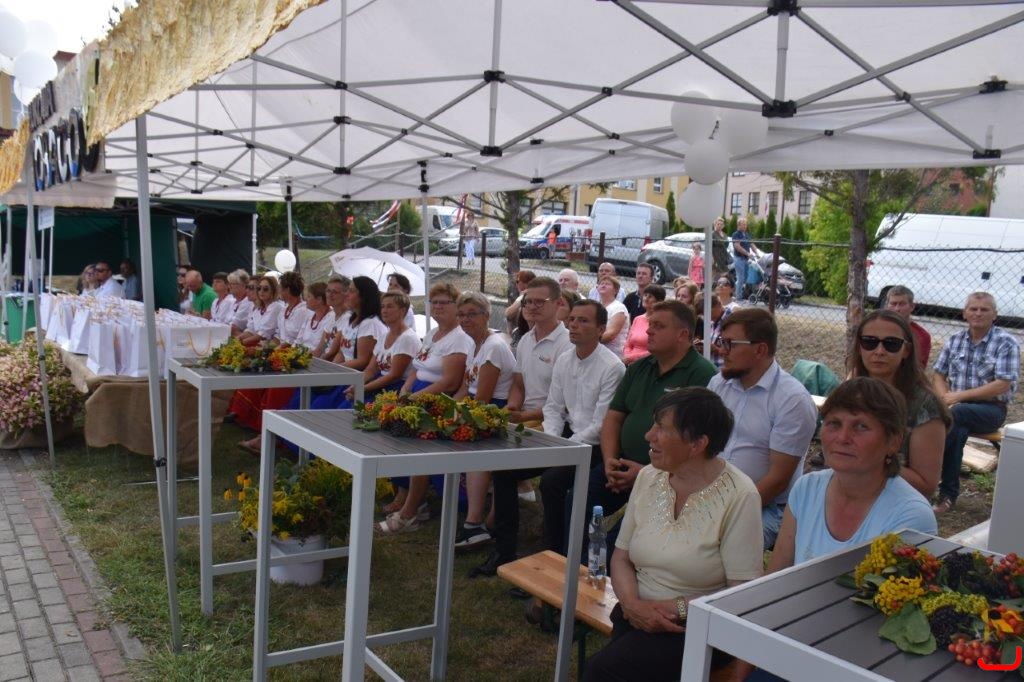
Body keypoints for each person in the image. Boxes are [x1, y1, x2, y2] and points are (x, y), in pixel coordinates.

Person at [582, 388, 763, 682]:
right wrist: (632, 605)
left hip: (696, 628)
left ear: (697, 444)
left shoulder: (740, 496)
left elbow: (739, 594)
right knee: (608, 668)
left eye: (662, 428)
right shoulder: (649, 476)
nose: (648, 435)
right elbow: (621, 557)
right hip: (635, 615)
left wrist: (671, 609)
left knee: (600, 671)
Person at [472, 299, 625, 577]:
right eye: (572, 319)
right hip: (563, 434)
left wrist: (562, 448)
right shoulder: (565, 359)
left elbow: (601, 424)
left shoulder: (612, 367)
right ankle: (504, 551)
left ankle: (552, 561)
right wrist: (552, 442)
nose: (574, 325)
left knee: (553, 483)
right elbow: (553, 407)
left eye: (583, 321)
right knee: (504, 470)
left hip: (594, 444)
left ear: (601, 329)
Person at [768, 377, 937, 570]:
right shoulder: (806, 489)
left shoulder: (910, 517)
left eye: (861, 426)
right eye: (834, 423)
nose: (843, 438)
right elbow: (775, 577)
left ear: (894, 441)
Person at [586, 300, 717, 549]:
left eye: (659, 326)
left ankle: (597, 562)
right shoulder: (639, 368)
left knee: (617, 541)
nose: (649, 331)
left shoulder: (702, 374)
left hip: (668, 476)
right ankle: (568, 562)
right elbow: (614, 417)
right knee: (577, 502)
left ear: (682, 335)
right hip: (620, 464)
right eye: (650, 324)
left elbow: (695, 443)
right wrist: (609, 461)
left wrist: (647, 472)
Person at [708, 308, 818, 549]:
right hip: (711, 495)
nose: (721, 350)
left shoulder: (792, 400)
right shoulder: (719, 384)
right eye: (722, 342)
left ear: (760, 350)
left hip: (766, 507)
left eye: (730, 344)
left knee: (713, 550)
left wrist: (722, 512)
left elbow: (778, 480)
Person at [379, 283, 474, 533]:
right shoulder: (432, 334)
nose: (438, 307)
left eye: (445, 302)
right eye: (435, 302)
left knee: (416, 445)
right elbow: (417, 367)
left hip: (439, 398)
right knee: (391, 430)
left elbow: (450, 382)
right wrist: (404, 391)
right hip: (418, 392)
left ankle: (410, 511)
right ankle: (406, 494)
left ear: (456, 307)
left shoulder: (459, 338)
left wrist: (414, 399)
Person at [932, 292, 1020, 513]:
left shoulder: (1006, 342)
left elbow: (1002, 384)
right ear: (965, 313)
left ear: (994, 315)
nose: (978, 313)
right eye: (973, 309)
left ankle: (927, 473)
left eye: (984, 309)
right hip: (955, 410)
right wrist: (944, 399)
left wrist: (958, 397)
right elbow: (938, 375)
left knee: (958, 415)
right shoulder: (955, 340)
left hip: (991, 410)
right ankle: (947, 495)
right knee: (958, 428)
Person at [849, 310, 950, 497]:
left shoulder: (925, 406)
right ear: (859, 347)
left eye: (891, 344)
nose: (879, 351)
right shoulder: (851, 393)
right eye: (869, 342)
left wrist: (870, 460)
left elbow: (925, 485)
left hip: (897, 503)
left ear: (906, 351)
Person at [452, 292, 517, 549]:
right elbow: (464, 388)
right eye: (461, 315)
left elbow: (482, 399)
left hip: (493, 410)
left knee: (464, 447)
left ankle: (474, 522)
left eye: (472, 314)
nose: (465, 320)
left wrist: (456, 418)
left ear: (487, 316)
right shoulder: (474, 343)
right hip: (475, 406)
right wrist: (447, 410)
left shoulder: (493, 346)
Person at [505, 277, 572, 426]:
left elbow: (565, 403)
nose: (532, 307)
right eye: (528, 301)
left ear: (558, 303)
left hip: (552, 422)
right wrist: (512, 407)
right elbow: (518, 385)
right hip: (524, 416)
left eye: (540, 302)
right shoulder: (525, 340)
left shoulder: (568, 344)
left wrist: (523, 417)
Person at [320, 276, 383, 371]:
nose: (346, 294)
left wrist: (334, 370)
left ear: (363, 296)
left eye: (351, 291)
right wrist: (331, 369)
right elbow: (341, 353)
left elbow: (362, 361)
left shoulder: (371, 324)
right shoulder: (351, 319)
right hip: (344, 371)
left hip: (357, 375)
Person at [885, 285, 931, 368]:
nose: (897, 309)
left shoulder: (922, 336)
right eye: (893, 304)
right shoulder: (875, 328)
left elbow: (918, 368)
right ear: (887, 306)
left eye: (902, 304)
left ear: (912, 307)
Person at [622, 284, 666, 365]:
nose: (646, 298)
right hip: (628, 362)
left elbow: (657, 349)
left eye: (650, 296)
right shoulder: (638, 319)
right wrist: (626, 356)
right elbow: (628, 344)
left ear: (659, 301)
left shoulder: (661, 321)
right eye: (645, 295)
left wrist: (632, 358)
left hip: (647, 363)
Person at [238, 275, 284, 345]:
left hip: (272, 346)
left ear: (273, 290)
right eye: (259, 288)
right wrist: (236, 340)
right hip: (260, 344)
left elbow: (264, 334)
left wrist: (241, 343)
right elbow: (251, 330)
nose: (261, 291)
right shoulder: (258, 309)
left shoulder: (276, 307)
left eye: (265, 289)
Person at [312, 275, 350, 358]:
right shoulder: (331, 315)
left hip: (333, 363)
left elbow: (333, 353)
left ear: (346, 295)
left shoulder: (349, 318)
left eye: (335, 292)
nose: (329, 295)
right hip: (323, 359)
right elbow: (320, 348)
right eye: (328, 291)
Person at [294, 282, 335, 350]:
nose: (306, 299)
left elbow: (326, 349)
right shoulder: (310, 315)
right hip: (301, 354)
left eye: (309, 296)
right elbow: (298, 341)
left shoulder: (332, 317)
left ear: (319, 299)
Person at [597, 276, 629, 357]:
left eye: (607, 284)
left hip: (612, 354)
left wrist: (589, 339)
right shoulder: (595, 307)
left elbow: (610, 335)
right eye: (601, 283)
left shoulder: (619, 308)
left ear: (615, 290)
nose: (603, 285)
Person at [273, 272, 308, 345]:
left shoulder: (303, 311)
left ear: (287, 290)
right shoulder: (284, 310)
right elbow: (279, 335)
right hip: (282, 349)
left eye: (280, 288)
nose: (278, 291)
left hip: (294, 350)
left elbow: (299, 340)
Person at [731, 217, 753, 300]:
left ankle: (737, 292)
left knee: (745, 277)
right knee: (740, 278)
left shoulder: (747, 234)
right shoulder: (736, 234)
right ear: (738, 225)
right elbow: (737, 246)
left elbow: (752, 244)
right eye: (743, 224)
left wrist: (757, 253)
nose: (744, 226)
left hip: (746, 259)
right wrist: (748, 253)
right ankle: (738, 297)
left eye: (745, 224)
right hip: (739, 258)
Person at [228, 270, 254, 336]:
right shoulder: (234, 301)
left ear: (243, 286)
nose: (229, 286)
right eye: (229, 284)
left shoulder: (248, 302)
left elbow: (234, 327)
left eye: (232, 284)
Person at [710, 217, 731, 282]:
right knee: (715, 274)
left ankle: (720, 286)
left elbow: (726, 245)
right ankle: (710, 286)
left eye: (721, 224)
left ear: (723, 226)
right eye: (718, 224)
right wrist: (712, 257)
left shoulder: (724, 234)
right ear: (715, 224)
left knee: (724, 274)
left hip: (723, 256)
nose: (719, 225)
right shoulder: (712, 234)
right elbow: (709, 246)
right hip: (716, 256)